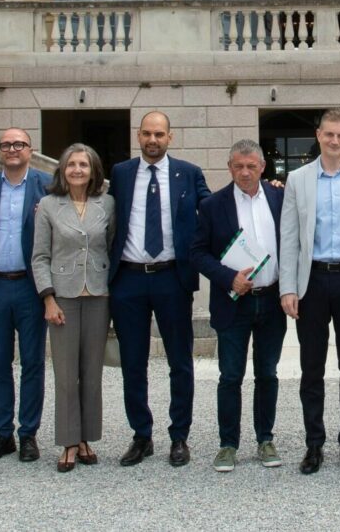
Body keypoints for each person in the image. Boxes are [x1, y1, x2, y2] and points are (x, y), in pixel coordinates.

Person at [278, 107, 340, 475]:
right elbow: (288, 236)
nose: (335, 140)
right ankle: (314, 445)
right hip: (313, 283)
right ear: (319, 136)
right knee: (311, 368)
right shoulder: (299, 179)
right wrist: (288, 287)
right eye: (329, 134)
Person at [108, 111, 210, 467]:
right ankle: (141, 436)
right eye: (147, 134)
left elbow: (213, 210)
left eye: (160, 134)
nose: (153, 140)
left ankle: (179, 436)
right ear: (139, 136)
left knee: (179, 362)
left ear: (171, 137)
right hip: (128, 279)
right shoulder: (120, 174)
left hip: (172, 278)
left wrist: (263, 189)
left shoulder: (188, 173)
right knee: (132, 363)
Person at [190, 139, 286, 473]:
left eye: (251, 166)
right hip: (234, 303)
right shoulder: (213, 205)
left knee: (268, 374)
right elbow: (198, 252)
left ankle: (265, 439)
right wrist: (228, 277)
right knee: (231, 376)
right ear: (229, 168)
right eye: (238, 166)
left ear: (262, 167)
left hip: (271, 301)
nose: (245, 172)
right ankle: (228, 444)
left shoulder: (279, 197)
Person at [0, 128, 53, 464]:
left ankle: (28, 433)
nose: (12, 149)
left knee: (32, 362)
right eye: (6, 144)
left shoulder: (46, 185)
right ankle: (2, 433)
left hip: (31, 287)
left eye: (19, 144)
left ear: (30, 150)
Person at [31, 143, 114, 473]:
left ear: (94, 170)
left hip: (98, 294)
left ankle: (86, 438)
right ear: (62, 170)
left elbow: (112, 246)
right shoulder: (49, 206)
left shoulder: (106, 203)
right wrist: (48, 298)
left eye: (84, 164)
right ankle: (67, 441)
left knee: (91, 374)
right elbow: (39, 256)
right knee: (66, 375)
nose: (77, 170)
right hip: (62, 296)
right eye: (71, 165)